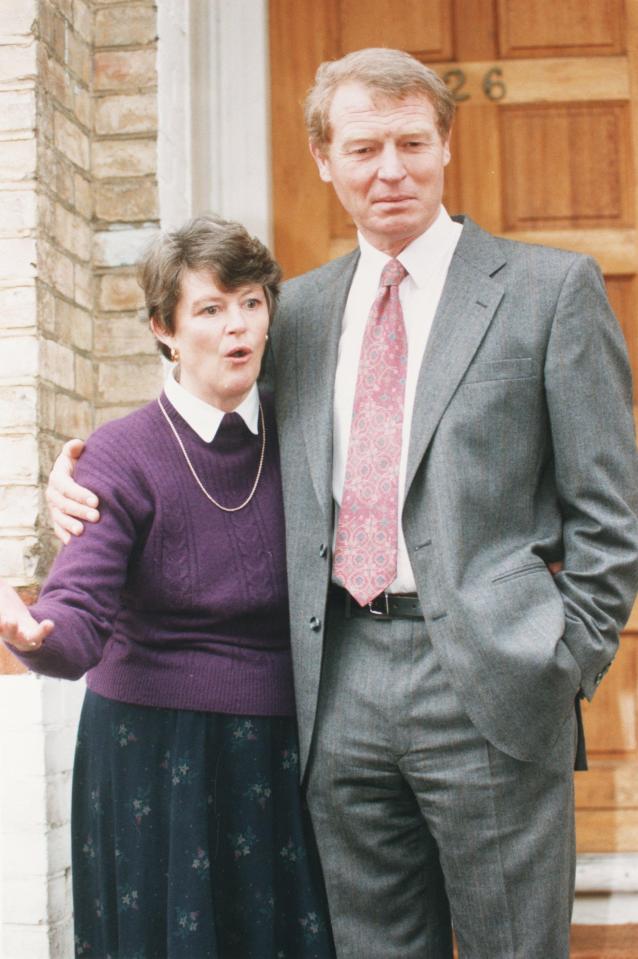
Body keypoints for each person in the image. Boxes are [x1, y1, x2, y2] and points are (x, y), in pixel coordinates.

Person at [45, 48, 638, 959]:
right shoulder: (300, 313)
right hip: (336, 685)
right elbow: (210, 418)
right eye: (364, 148)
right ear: (324, 159)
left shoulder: (548, 292)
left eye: (411, 142)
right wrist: (78, 466)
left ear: (446, 144)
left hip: (493, 678)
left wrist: (562, 657)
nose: (390, 169)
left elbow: (611, 510)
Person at [1, 214, 335, 959]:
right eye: (210, 309)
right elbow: (79, 609)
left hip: (277, 749)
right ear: (165, 329)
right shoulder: (119, 455)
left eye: (250, 302)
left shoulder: (307, 434)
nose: (237, 326)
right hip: (150, 752)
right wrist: (34, 634)